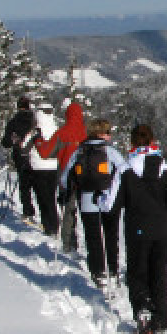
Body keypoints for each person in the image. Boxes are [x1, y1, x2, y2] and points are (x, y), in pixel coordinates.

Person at [99, 124, 167, 334]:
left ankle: (143, 312)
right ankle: (161, 319)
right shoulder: (165, 168)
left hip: (137, 230)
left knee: (138, 273)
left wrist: (100, 199)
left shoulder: (126, 169)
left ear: (132, 143)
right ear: (153, 141)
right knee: (159, 274)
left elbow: (110, 205)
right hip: (163, 231)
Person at [62, 117, 126, 288]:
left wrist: (68, 192)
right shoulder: (110, 152)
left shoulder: (79, 151)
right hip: (109, 199)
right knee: (111, 235)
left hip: (87, 199)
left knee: (93, 236)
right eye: (108, 132)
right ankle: (112, 269)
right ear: (102, 134)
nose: (110, 136)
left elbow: (65, 177)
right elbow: (125, 172)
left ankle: (98, 271)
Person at [34, 100, 86, 252]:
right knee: (88, 216)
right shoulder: (86, 133)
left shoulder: (62, 133)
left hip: (66, 178)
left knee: (68, 213)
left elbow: (45, 153)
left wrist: (38, 140)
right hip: (86, 180)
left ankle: (69, 244)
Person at [25, 102, 61, 236]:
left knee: (42, 197)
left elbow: (24, 148)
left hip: (38, 167)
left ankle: (48, 225)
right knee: (51, 197)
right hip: (54, 167)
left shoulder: (36, 131)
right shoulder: (56, 128)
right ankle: (54, 225)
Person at [0, 96, 37, 223]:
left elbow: (6, 142)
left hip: (20, 155)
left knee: (24, 184)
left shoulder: (14, 121)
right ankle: (47, 218)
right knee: (40, 186)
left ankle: (28, 211)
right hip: (38, 156)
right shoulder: (36, 120)